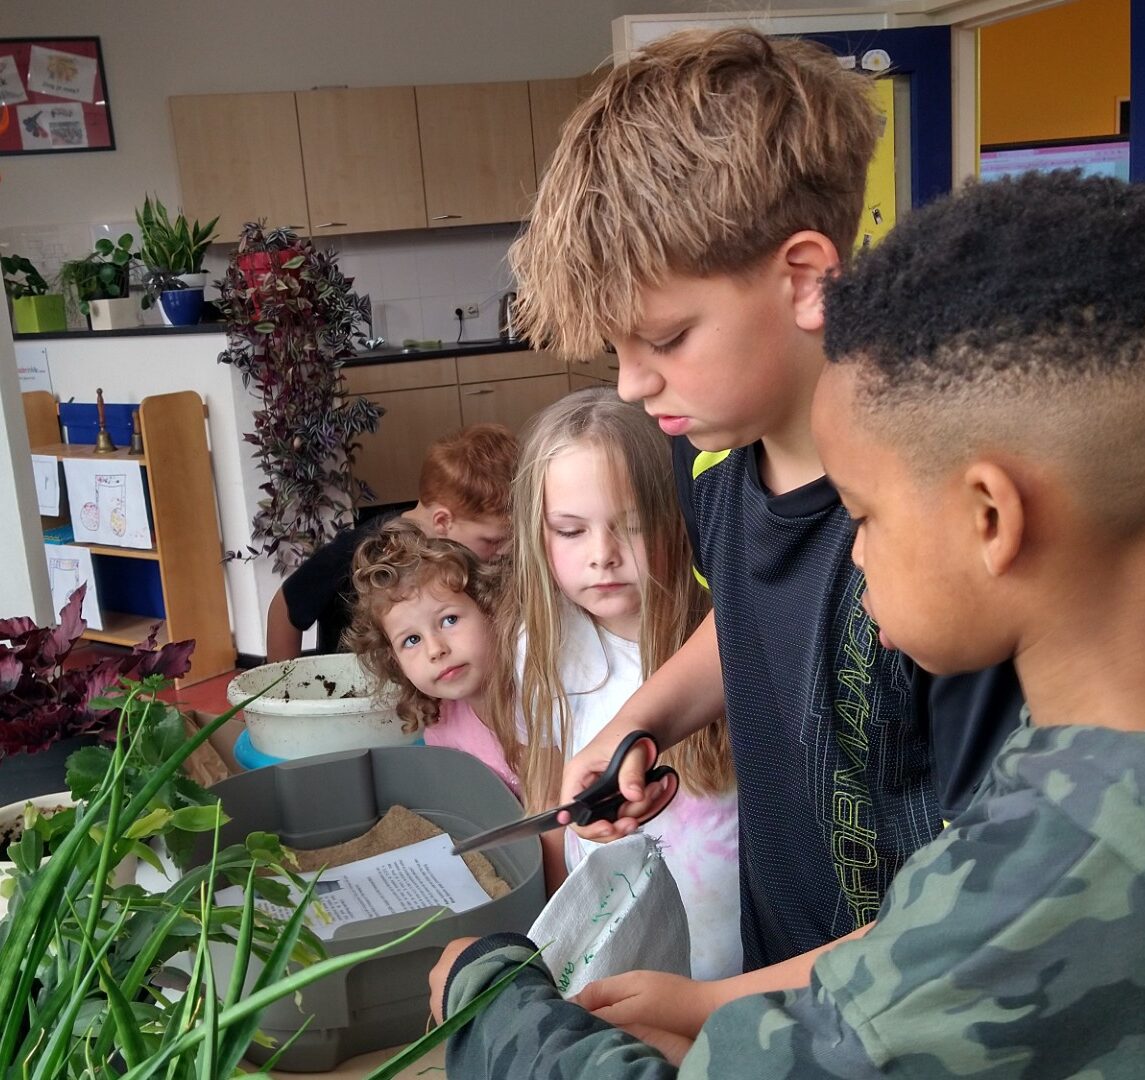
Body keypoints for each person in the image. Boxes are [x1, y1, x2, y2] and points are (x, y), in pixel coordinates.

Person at [428, 172, 1145, 1077]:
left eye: (864, 517)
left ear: (991, 518)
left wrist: (486, 1000)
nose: (854, 552)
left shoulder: (1028, 898)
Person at [494, 26, 1023, 1035]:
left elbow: (980, 915)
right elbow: (748, 620)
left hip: (898, 1018)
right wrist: (642, 721)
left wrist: (711, 1007)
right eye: (615, 346)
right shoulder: (714, 465)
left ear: (806, 276)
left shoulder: (941, 544)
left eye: (666, 338)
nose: (630, 383)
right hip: (783, 964)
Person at [494, 386, 741, 980]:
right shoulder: (540, 647)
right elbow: (549, 806)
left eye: (628, 526)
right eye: (571, 531)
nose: (601, 555)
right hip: (616, 946)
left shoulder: (729, 637)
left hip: (737, 953)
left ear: (676, 516)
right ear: (537, 534)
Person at [265, 423, 517, 661]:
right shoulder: (364, 547)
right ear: (442, 521)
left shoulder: (466, 544)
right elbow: (284, 607)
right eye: (493, 540)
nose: (506, 551)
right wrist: (281, 696)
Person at [344, 519, 521, 798]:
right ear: (394, 659)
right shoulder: (442, 724)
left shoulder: (538, 694)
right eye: (411, 640)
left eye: (449, 620)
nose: (435, 649)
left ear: (489, 609)